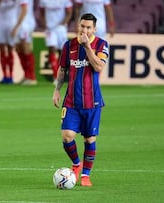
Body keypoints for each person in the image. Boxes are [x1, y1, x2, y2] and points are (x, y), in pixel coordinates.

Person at [52, 13, 109, 187]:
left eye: (88, 27)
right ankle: (76, 164)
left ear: (94, 29)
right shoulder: (69, 45)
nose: (85, 30)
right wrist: (56, 90)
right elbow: (62, 70)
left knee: (89, 139)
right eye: (82, 26)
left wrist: (87, 48)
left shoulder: (101, 44)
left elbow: (99, 66)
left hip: (92, 102)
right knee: (67, 136)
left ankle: (85, 175)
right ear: (78, 25)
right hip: (71, 101)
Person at [39, 0, 73, 85]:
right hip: (50, 29)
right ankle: (56, 77)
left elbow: (69, 12)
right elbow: (42, 12)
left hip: (61, 29)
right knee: (51, 48)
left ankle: (62, 75)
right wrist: (43, 23)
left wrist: (63, 23)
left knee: (62, 53)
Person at [14, 0, 37, 85]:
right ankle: (26, 75)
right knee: (18, 48)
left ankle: (31, 77)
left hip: (25, 23)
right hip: (19, 23)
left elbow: (24, 9)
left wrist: (17, 25)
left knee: (25, 48)